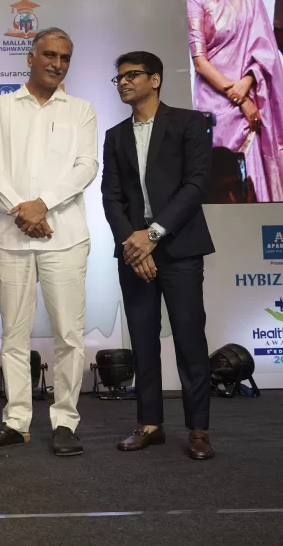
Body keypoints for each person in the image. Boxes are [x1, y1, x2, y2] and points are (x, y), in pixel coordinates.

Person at [0, 27, 98, 457]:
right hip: (12, 238)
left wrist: (42, 205)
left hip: (65, 238)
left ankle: (65, 421)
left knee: (68, 335)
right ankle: (16, 421)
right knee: (13, 335)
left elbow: (86, 167)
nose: (57, 64)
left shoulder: (81, 110)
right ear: (30, 57)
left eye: (65, 58)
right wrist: (22, 211)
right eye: (49, 55)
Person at [101, 51, 216, 460]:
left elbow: (196, 185)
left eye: (132, 75)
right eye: (119, 77)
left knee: (189, 339)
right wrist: (133, 244)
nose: (124, 82)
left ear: (155, 79)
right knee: (143, 340)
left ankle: (198, 429)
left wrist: (152, 235)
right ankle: (149, 424)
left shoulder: (189, 123)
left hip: (179, 248)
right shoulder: (115, 135)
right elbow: (111, 196)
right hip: (134, 252)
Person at [187, 0, 283, 202]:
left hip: (251, 92)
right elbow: (200, 61)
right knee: (224, 181)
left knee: (255, 179)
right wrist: (239, 97)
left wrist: (247, 83)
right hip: (217, 104)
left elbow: (264, 47)